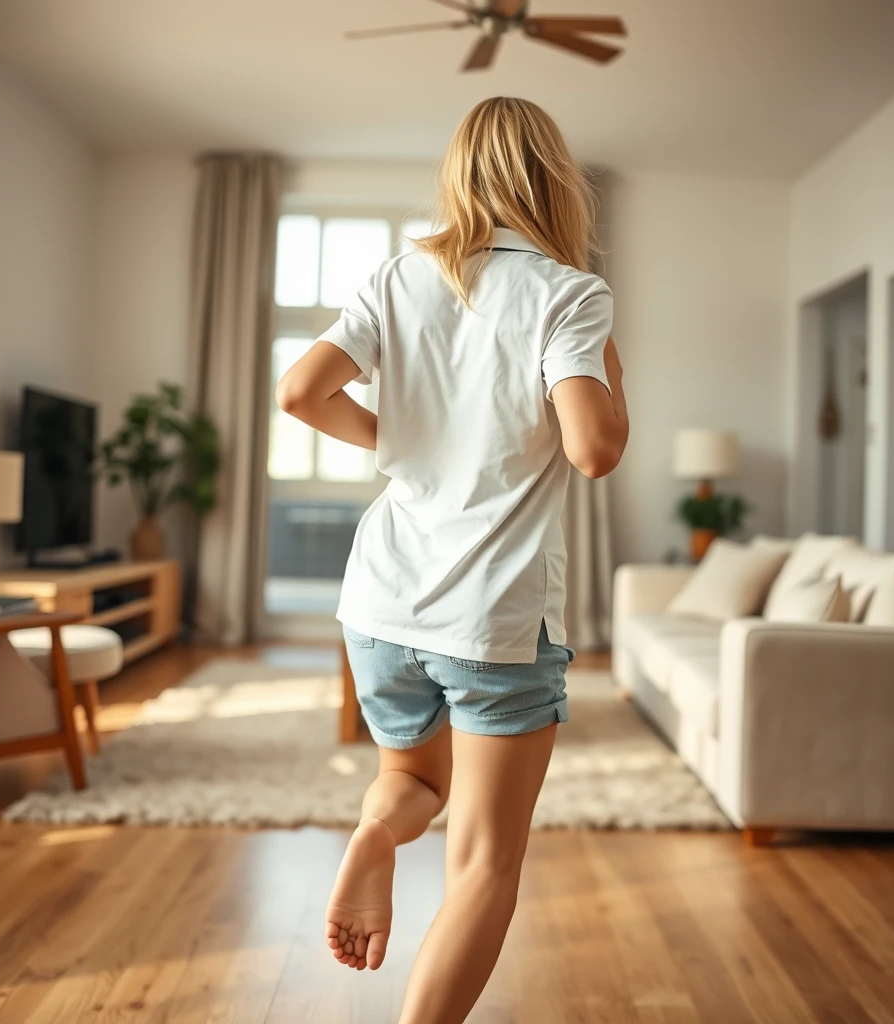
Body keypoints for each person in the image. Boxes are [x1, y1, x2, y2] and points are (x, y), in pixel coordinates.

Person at [275, 95, 628, 1024]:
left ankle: (374, 838)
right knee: (483, 865)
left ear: (461, 176)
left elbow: (301, 392)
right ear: (555, 183)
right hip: (494, 620)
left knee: (413, 782)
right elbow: (593, 449)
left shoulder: (401, 275)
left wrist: (396, 438)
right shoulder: (568, 292)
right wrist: (609, 371)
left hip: (380, 603)